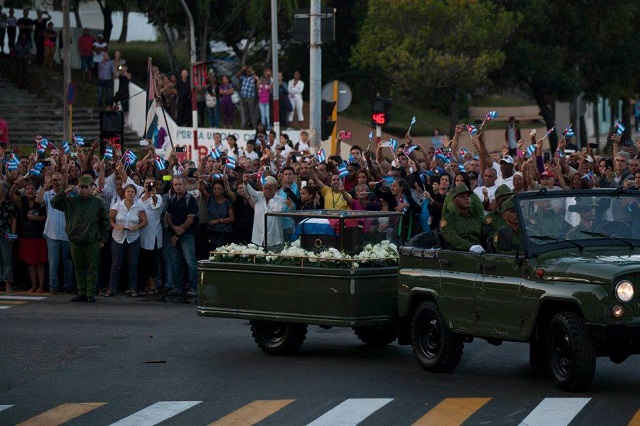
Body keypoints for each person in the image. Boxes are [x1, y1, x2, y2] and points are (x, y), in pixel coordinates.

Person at [35, 172, 74, 294]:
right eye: (55, 180)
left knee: (68, 263)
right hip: (52, 233)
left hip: (66, 234)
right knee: (53, 263)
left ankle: (69, 285)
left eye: (59, 179)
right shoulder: (47, 194)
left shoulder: (68, 194)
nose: (57, 182)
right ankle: (53, 286)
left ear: (63, 180)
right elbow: (38, 199)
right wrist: (46, 185)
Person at [106, 184, 147, 297]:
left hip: (133, 238)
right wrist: (115, 226)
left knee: (133, 265)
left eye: (132, 192)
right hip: (118, 238)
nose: (130, 193)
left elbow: (144, 221)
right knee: (116, 264)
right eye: (128, 191)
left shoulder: (138, 207)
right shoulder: (118, 205)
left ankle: (133, 288)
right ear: (124, 193)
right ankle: (112, 288)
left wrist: (136, 227)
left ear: (135, 194)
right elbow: (108, 218)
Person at [10, 179, 47, 293]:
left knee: (39, 263)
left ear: (36, 191)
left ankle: (41, 286)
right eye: (28, 189)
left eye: (32, 189)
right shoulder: (22, 201)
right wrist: (16, 184)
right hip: (26, 237)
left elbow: (46, 217)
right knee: (30, 263)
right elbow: (11, 195)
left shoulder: (40, 202)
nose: (30, 190)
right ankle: (34, 285)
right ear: (25, 191)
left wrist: (36, 218)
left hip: (38, 237)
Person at [165, 174, 199, 297]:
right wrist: (174, 229)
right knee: (176, 262)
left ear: (185, 185)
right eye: (175, 184)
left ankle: (194, 287)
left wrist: (180, 231)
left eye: (180, 184)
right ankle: (177, 287)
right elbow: (168, 217)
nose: (178, 187)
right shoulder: (172, 198)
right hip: (174, 234)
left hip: (187, 235)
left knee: (190, 261)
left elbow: (190, 219)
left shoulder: (190, 199)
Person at [242, 175, 286, 250]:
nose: (266, 190)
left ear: (275, 189)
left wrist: (270, 199)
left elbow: (277, 210)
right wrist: (245, 182)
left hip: (274, 240)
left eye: (269, 188)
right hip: (258, 240)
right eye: (265, 188)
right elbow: (250, 191)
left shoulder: (280, 199)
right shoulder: (259, 196)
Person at [440, 183, 484, 252]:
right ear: (454, 201)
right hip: (458, 254)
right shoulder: (448, 219)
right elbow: (452, 238)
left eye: (468, 196)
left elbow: (486, 233)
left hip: (480, 253)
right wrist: (470, 247)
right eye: (462, 196)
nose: (467, 199)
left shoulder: (476, 218)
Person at [138, 177, 163, 295]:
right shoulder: (139, 198)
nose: (148, 185)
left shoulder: (159, 197)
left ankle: (153, 284)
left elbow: (156, 206)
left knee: (153, 260)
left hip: (154, 234)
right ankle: (145, 284)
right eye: (146, 183)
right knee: (144, 260)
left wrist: (153, 195)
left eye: (150, 183)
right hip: (142, 233)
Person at [202, 178, 235, 251]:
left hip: (225, 232)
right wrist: (200, 181)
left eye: (219, 188)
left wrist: (218, 221)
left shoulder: (227, 202)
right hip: (212, 232)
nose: (217, 190)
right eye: (215, 188)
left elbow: (231, 218)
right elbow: (202, 190)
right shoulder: (209, 199)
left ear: (223, 190)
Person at [0, 182, 17, 293]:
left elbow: (14, 220)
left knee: (7, 259)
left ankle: (7, 284)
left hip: (5, 234)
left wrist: (13, 235)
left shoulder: (8, 203)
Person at [236, 65, 260, 129]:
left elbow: (258, 83)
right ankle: (247, 126)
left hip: (251, 97)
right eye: (247, 71)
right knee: (246, 112)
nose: (248, 71)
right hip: (244, 97)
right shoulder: (244, 77)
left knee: (252, 112)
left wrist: (252, 73)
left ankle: (255, 127)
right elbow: (237, 76)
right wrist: (242, 69)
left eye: (250, 70)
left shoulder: (254, 78)